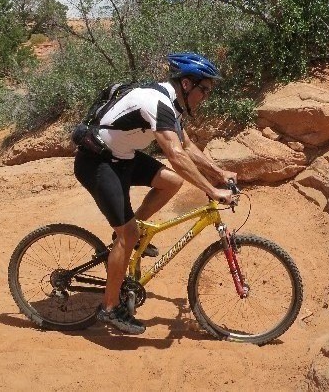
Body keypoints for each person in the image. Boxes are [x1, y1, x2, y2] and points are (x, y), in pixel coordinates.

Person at [73, 52, 237, 335]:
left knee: (171, 182)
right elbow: (175, 154)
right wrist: (211, 190)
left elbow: (186, 146)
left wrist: (219, 173)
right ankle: (110, 309)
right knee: (128, 235)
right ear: (187, 84)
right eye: (205, 89)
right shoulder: (157, 103)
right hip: (97, 163)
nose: (206, 96)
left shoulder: (170, 104)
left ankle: (129, 233)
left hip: (122, 158)